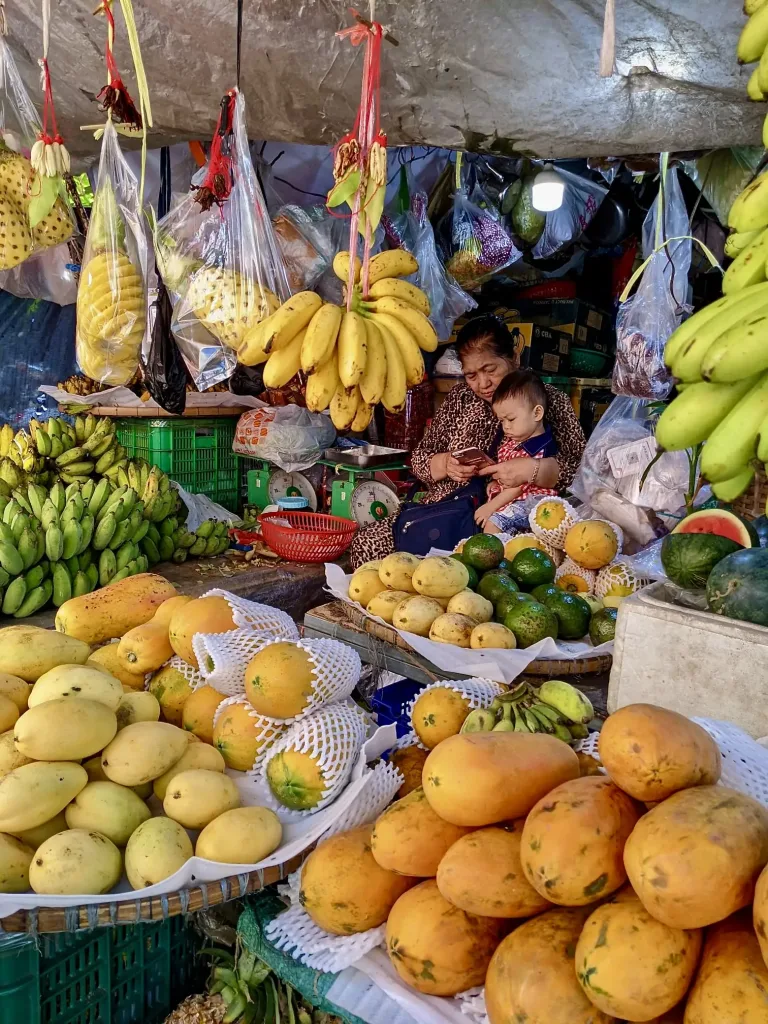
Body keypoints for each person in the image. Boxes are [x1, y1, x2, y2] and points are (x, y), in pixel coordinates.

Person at [349, 313, 587, 568]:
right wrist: (445, 464)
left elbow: (584, 474)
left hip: (518, 517)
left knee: (514, 563)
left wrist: (536, 470)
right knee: (366, 543)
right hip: (448, 511)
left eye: (490, 370)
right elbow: (420, 458)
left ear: (514, 358)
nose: (483, 383)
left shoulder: (548, 399)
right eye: (471, 375)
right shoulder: (460, 398)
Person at [475, 369, 559, 534]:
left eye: (511, 419)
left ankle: (491, 558)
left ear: (537, 413)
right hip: (513, 501)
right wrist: (497, 483)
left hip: (532, 502)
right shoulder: (514, 439)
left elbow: (519, 486)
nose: (505, 426)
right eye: (501, 420)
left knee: (494, 524)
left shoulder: (537, 446)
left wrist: (491, 506)